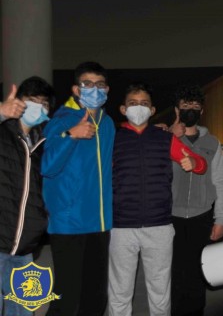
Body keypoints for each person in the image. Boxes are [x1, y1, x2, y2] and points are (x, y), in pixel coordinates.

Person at [108, 82, 207, 316]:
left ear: (152, 110)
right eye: (133, 104)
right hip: (121, 226)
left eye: (144, 104)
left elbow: (201, 164)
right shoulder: (112, 138)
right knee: (119, 293)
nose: (138, 108)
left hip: (159, 226)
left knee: (160, 292)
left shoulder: (165, 139)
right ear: (123, 109)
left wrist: (193, 163)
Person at [42, 61, 115, 316]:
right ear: (75, 89)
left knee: (95, 299)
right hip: (68, 224)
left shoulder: (107, 124)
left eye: (100, 85)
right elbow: (47, 166)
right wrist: (70, 135)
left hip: (100, 222)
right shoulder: (60, 120)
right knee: (66, 299)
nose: (94, 89)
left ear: (107, 90)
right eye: (87, 84)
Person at [169, 83, 223, 316]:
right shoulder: (165, 139)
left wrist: (221, 219)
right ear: (177, 109)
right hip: (170, 217)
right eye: (185, 106)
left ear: (202, 111)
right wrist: (169, 137)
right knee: (173, 274)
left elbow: (220, 182)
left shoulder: (212, 143)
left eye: (195, 106)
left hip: (201, 216)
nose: (190, 110)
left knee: (197, 274)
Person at [0, 77, 54, 316]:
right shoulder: (3, 133)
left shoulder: (45, 143)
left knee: (21, 311)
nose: (37, 107)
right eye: (31, 101)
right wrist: (0, 113)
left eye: (43, 103)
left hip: (26, 246)